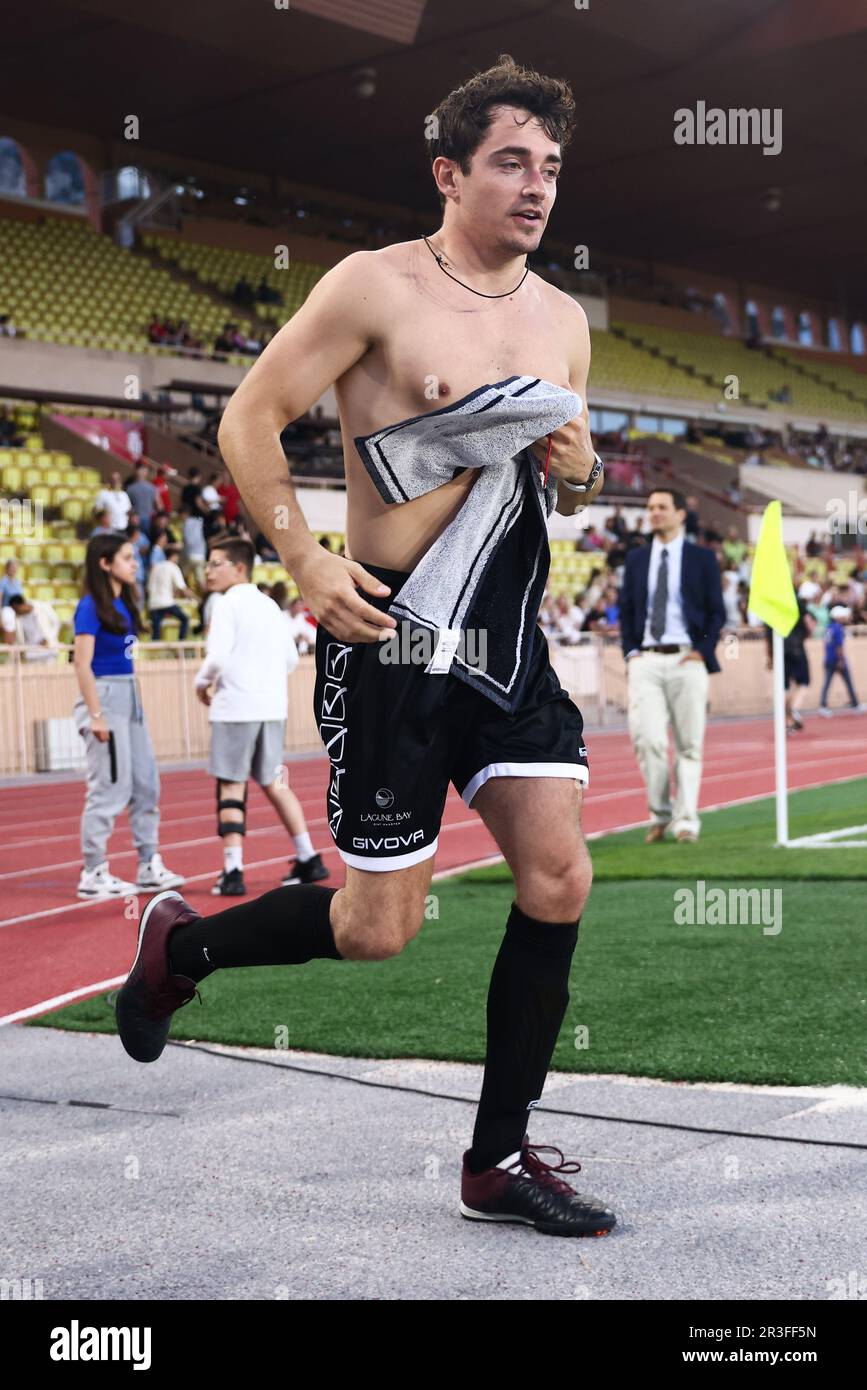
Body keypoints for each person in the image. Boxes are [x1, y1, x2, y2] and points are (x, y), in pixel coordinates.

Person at [115, 56, 616, 1239]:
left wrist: (582, 468)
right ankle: (183, 946)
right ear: (449, 173)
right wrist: (302, 556)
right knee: (374, 929)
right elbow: (248, 417)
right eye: (510, 163)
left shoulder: (562, 319)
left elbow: (580, 469)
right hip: (390, 633)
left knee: (560, 874)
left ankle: (496, 1159)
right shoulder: (373, 286)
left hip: (508, 640)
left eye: (549, 167)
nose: (537, 186)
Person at [194, 534, 329, 895]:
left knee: (231, 783)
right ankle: (308, 856)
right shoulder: (270, 605)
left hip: (236, 707)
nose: (208, 571)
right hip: (271, 707)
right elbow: (288, 659)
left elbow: (218, 658)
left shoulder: (225, 604)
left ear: (239, 568)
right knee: (274, 781)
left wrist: (200, 682)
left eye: (215, 563)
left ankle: (233, 871)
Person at [72, 533, 185, 899]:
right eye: (126, 557)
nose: (135, 562)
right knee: (110, 788)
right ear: (105, 563)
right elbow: (81, 664)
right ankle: (93, 871)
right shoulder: (90, 606)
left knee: (146, 783)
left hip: (130, 696)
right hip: (105, 697)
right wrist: (96, 715)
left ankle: (149, 863)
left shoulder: (125, 605)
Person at [619, 488, 725, 843]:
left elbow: (717, 612)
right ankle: (660, 814)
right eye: (650, 508)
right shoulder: (635, 560)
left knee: (689, 745)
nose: (655, 513)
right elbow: (628, 610)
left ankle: (685, 823)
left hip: (687, 659)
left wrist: (702, 650)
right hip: (646, 659)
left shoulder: (702, 559)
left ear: (680, 514)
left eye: (662, 507)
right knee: (648, 740)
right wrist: (631, 652)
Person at [765, 595, 814, 732]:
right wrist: (807, 633)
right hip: (796, 647)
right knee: (804, 682)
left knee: (784, 686)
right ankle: (792, 710)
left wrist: (770, 655)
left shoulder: (771, 602)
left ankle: (788, 719)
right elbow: (808, 622)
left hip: (780, 649)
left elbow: (767, 633)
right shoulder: (795, 600)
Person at [819, 606, 863, 714]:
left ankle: (823, 705)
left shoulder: (829, 627)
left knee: (827, 683)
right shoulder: (838, 628)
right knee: (848, 682)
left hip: (828, 659)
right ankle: (855, 704)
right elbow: (839, 646)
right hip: (836, 659)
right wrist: (841, 660)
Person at [147, 543, 193, 640]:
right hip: (167, 602)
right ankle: (181, 645)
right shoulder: (173, 567)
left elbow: (149, 587)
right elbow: (182, 588)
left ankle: (154, 654)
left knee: (156, 633)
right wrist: (191, 597)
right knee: (185, 620)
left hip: (153, 604)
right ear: (174, 556)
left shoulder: (156, 567)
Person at [125, 462, 157, 537]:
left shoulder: (152, 488)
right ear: (135, 470)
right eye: (140, 468)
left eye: (144, 469)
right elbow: (127, 505)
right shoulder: (129, 487)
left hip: (147, 520)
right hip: (135, 519)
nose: (141, 471)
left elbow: (158, 504)